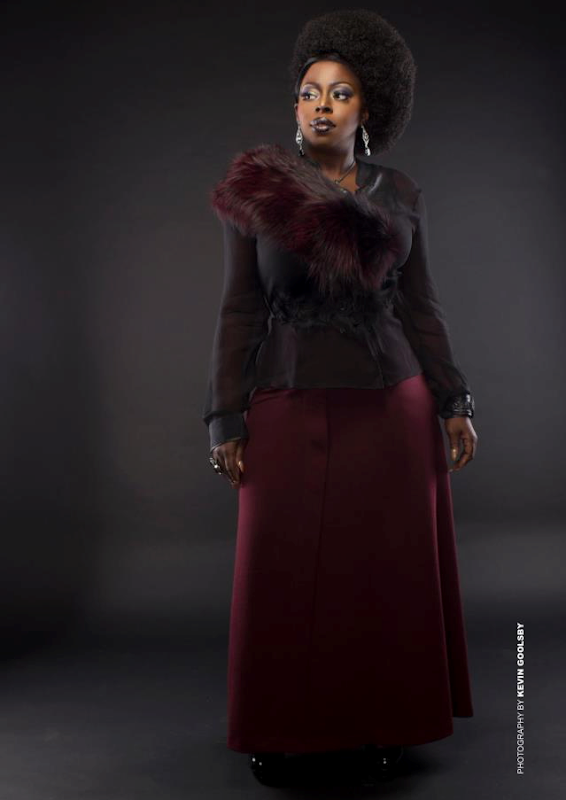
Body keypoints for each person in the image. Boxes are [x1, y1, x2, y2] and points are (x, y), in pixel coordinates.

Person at [202, 8, 478, 787]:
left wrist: (455, 401)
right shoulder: (258, 190)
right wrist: (225, 415)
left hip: (392, 406)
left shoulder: (402, 193)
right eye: (309, 92)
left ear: (369, 108)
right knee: (282, 574)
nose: (320, 105)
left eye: (341, 93)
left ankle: (387, 722)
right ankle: (278, 728)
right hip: (287, 401)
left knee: (384, 574)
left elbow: (420, 307)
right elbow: (239, 310)